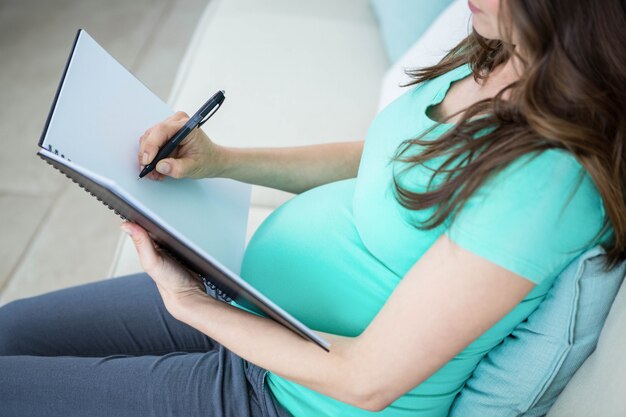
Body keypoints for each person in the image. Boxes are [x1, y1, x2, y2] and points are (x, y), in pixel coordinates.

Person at [1, 0, 625, 416]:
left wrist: (187, 302)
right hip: (244, 297)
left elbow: (368, 379)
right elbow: (387, 161)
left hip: (291, 395)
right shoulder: (500, 52)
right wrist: (221, 160)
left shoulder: (549, 178)